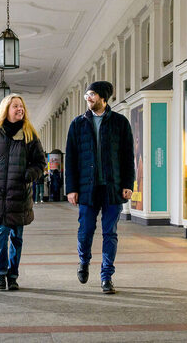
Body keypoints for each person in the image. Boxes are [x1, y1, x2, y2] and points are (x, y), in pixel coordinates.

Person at [64, 80, 134, 294]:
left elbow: (127, 157)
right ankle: (84, 261)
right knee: (85, 231)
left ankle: (106, 276)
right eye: (87, 95)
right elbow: (71, 159)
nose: (88, 98)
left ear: (103, 97)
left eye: (92, 94)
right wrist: (71, 188)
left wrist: (128, 184)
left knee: (110, 233)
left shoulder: (120, 123)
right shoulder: (77, 124)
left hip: (112, 188)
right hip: (87, 188)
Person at [0, 94, 45, 291]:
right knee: (1, 234)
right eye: (15, 106)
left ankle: (13, 275)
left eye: (21, 106)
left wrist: (30, 174)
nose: (20, 109)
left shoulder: (30, 136)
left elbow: (40, 162)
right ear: (6, 109)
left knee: (17, 237)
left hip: (19, 194)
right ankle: (0, 273)